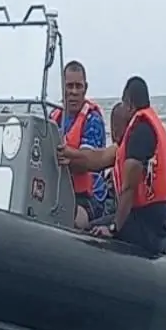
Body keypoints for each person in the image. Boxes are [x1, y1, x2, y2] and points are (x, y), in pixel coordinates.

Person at [57, 76, 166, 255]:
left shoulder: (141, 133)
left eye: (123, 104)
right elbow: (100, 158)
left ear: (130, 105)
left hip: (148, 226)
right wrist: (70, 155)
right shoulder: (140, 131)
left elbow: (129, 189)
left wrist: (113, 228)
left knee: (88, 237)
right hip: (145, 218)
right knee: (88, 229)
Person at [49, 60, 108, 228]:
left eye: (78, 86)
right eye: (69, 86)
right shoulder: (53, 117)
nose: (73, 92)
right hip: (58, 191)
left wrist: (70, 159)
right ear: (63, 88)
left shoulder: (92, 120)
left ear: (85, 88)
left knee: (75, 220)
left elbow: (87, 162)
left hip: (88, 197)